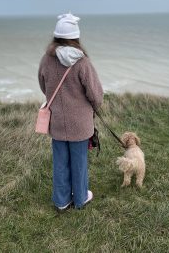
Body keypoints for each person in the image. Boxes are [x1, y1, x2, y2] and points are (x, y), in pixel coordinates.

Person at [38, 13, 104, 210]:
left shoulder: (46, 60)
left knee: (60, 162)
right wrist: (94, 106)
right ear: (76, 37)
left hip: (57, 120)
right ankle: (80, 198)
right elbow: (95, 94)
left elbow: (44, 86)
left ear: (56, 36)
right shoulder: (82, 62)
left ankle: (61, 200)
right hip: (81, 123)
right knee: (79, 162)